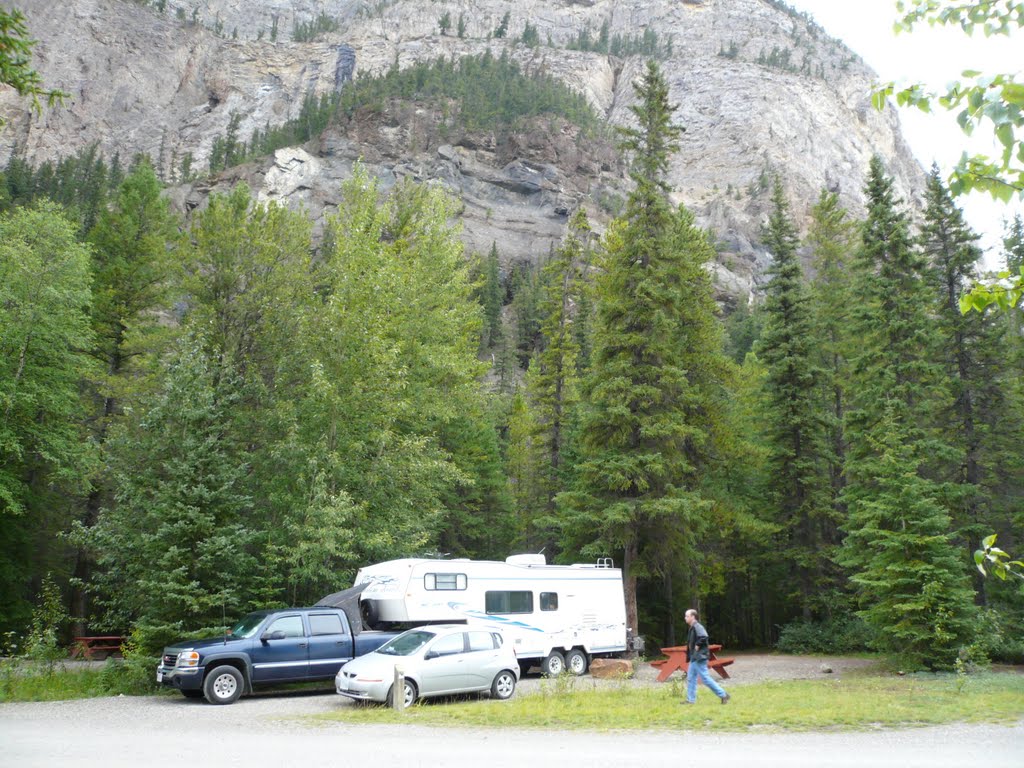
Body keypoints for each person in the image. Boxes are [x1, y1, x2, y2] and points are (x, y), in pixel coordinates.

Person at [683, 608, 730, 705]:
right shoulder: (692, 627)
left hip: (699, 657)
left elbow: (704, 636)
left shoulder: (697, 626)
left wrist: (697, 644)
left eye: (687, 616)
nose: (685, 618)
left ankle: (723, 694)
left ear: (693, 617)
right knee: (691, 678)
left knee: (705, 678)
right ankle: (690, 700)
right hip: (694, 658)